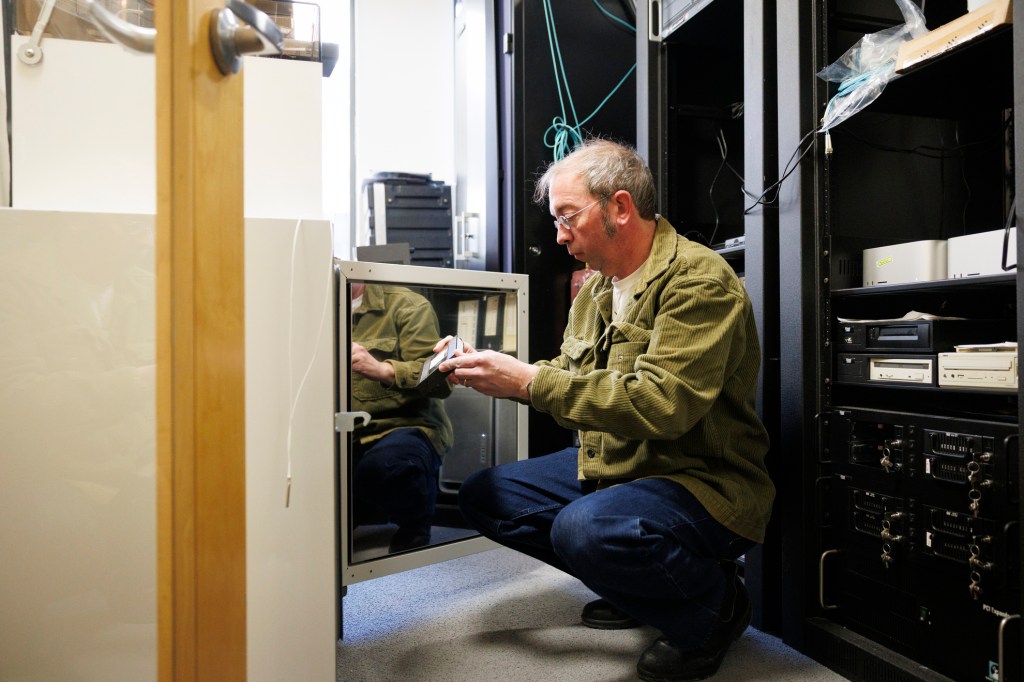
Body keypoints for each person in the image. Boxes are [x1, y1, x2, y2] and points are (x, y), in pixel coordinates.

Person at [436, 138, 775, 681]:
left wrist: (529, 383)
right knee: (487, 496)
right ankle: (643, 589)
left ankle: (716, 609)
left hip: (702, 481)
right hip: (620, 467)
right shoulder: (595, 291)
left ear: (619, 207)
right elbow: (572, 379)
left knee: (587, 529)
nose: (559, 234)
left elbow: (662, 406)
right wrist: (495, 371)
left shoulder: (699, 280)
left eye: (567, 216)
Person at [349, 282, 454, 553]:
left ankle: (414, 529)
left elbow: (438, 380)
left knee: (389, 466)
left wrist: (382, 369)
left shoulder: (406, 305)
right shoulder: (307, 311)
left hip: (405, 426)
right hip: (343, 433)